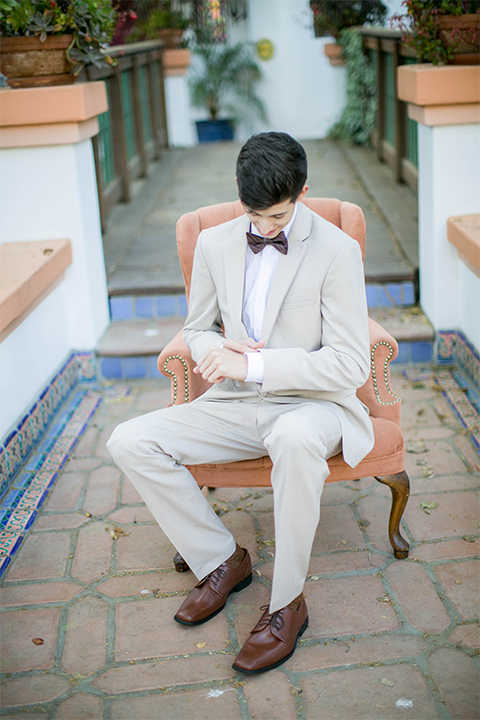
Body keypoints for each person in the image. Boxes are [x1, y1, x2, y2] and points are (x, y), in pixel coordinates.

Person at [107, 132, 374, 674]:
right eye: (256, 215)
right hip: (235, 403)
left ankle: (286, 606)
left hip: (313, 405)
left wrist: (252, 363)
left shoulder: (337, 251)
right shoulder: (213, 243)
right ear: (238, 190)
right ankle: (222, 559)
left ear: (303, 191)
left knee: (295, 438)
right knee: (130, 440)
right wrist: (214, 349)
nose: (265, 228)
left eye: (277, 217)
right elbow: (198, 328)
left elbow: (350, 365)